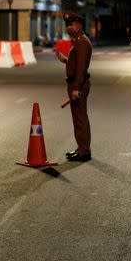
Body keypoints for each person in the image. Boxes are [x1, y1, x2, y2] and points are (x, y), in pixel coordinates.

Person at [55, 11, 93, 162]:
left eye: (72, 24)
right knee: (78, 117)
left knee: (80, 118)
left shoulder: (82, 41)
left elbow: (81, 67)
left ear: (79, 24)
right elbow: (75, 63)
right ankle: (81, 148)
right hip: (75, 83)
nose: (69, 28)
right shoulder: (77, 40)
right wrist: (65, 60)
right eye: (68, 25)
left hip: (79, 84)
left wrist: (76, 87)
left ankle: (84, 151)